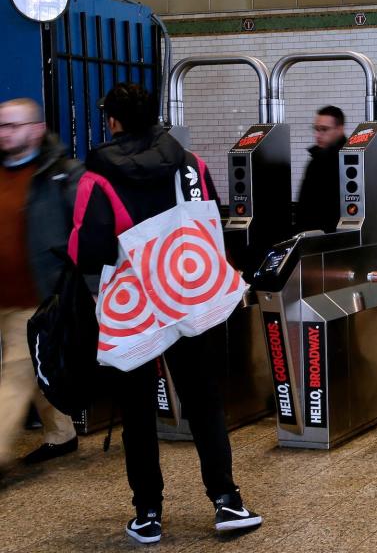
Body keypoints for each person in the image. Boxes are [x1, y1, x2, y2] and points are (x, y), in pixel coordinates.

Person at [70, 83, 261, 544]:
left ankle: (148, 513)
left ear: (112, 121)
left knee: (137, 411)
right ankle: (227, 501)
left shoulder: (96, 178)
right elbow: (210, 222)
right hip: (187, 295)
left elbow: (87, 250)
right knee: (203, 402)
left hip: (133, 308)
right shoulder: (191, 164)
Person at [0, 98, 79, 472]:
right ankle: (61, 432)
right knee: (35, 366)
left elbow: (83, 228)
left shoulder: (59, 174)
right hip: (3, 292)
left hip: (36, 296)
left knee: (15, 374)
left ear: (35, 129)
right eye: (1, 126)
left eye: (12, 126)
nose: (4, 133)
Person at [297, 105, 346, 234]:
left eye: (324, 129)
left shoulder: (347, 161)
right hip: (312, 237)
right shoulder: (317, 158)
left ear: (340, 129)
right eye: (316, 129)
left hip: (329, 240)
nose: (318, 134)